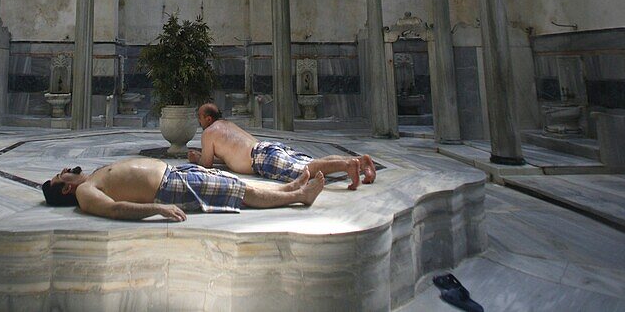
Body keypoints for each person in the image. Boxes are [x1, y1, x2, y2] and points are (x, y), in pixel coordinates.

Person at [41, 157, 324, 221]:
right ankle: (300, 196)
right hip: (170, 189)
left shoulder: (90, 177)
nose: (64, 170)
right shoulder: (84, 192)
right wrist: (157, 209)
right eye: (59, 176)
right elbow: (114, 209)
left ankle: (289, 188)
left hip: (175, 174)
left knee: (234, 184)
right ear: (65, 190)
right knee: (240, 194)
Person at [186, 103, 376, 189]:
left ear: (208, 118)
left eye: (200, 118)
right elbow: (228, 154)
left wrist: (197, 159)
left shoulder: (209, 132)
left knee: (307, 170)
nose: (199, 121)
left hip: (261, 158)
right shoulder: (228, 125)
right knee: (313, 162)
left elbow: (207, 164)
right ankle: (361, 162)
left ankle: (347, 165)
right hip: (268, 149)